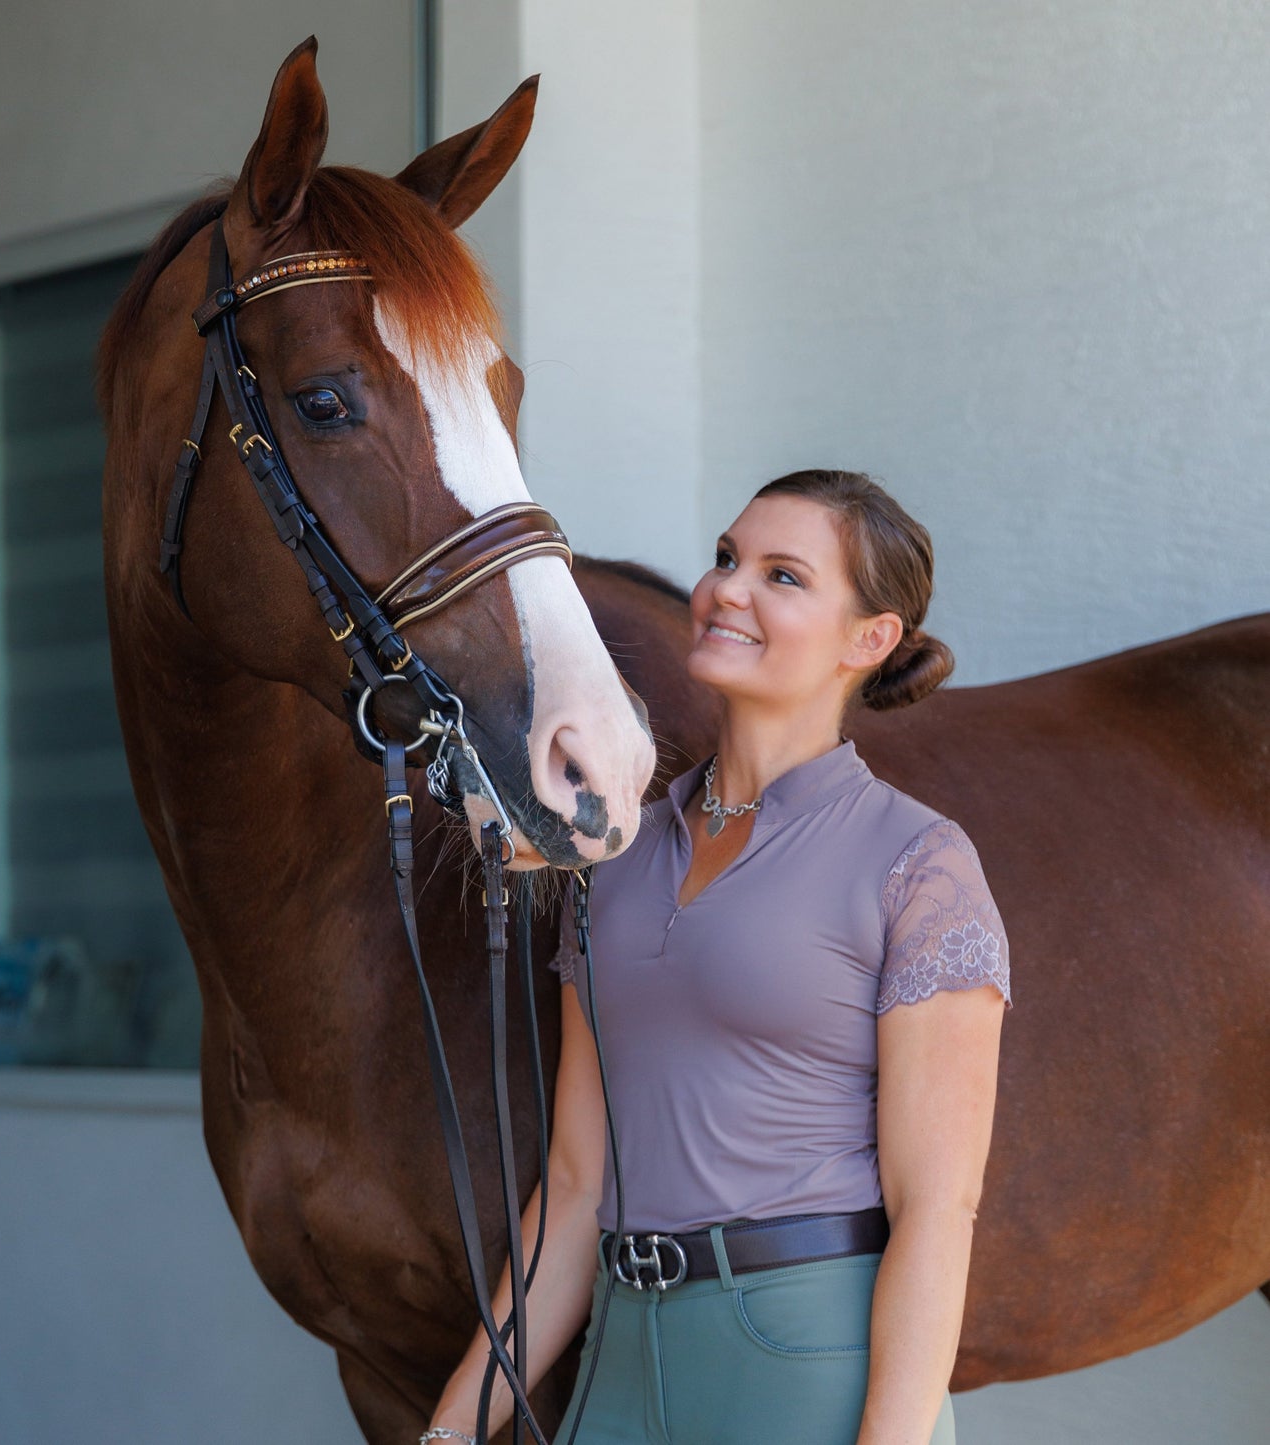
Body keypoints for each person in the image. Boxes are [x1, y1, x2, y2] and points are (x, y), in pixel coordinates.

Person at [425, 469, 1012, 1445]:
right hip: (620, 1349)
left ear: (867, 640)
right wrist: (450, 1427)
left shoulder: (916, 861)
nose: (726, 588)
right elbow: (573, 1184)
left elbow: (935, 1207)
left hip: (799, 1350)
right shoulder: (609, 857)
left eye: (781, 575)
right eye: (726, 558)